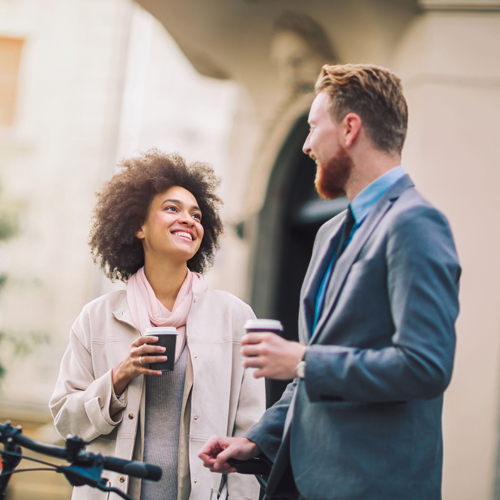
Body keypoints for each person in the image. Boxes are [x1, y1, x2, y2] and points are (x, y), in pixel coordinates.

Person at [199, 64, 461, 500]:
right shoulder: (329, 234)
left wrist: (302, 359)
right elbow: (312, 373)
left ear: (349, 129)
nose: (305, 145)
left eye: (313, 127)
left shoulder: (416, 223)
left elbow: (425, 366)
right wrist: (259, 440)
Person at [49, 150, 265, 500]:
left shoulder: (236, 318)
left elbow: (250, 433)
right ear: (138, 227)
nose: (189, 220)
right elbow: (67, 421)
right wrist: (119, 376)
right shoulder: (96, 317)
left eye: (196, 214)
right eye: (172, 209)